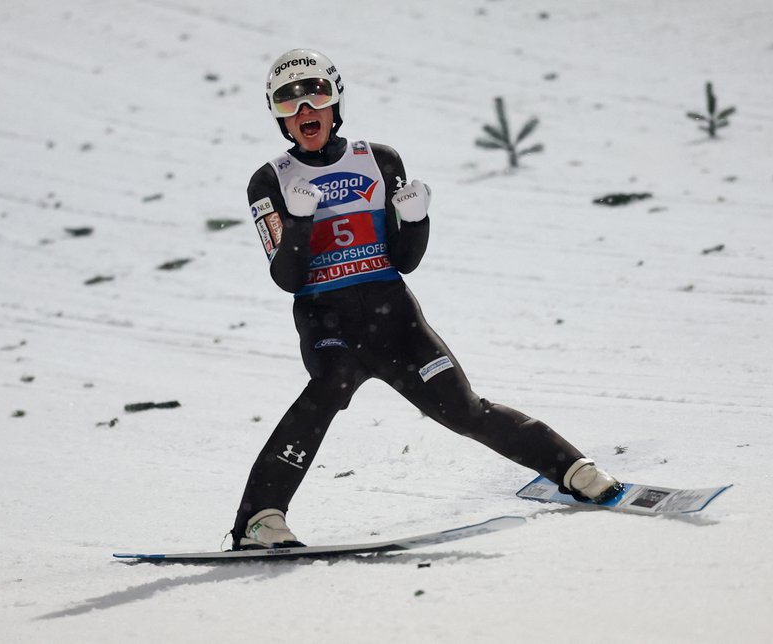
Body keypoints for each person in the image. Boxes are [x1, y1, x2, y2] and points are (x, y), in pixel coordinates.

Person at [232, 48, 622, 549]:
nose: (306, 110)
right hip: (328, 322)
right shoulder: (268, 181)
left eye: (316, 95)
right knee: (327, 389)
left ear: (336, 103)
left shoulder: (380, 160)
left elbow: (405, 259)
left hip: (394, 319)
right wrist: (302, 223)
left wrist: (417, 221)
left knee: (464, 410)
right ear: (278, 115)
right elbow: (287, 277)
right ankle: (258, 522)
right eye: (290, 103)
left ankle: (573, 469)